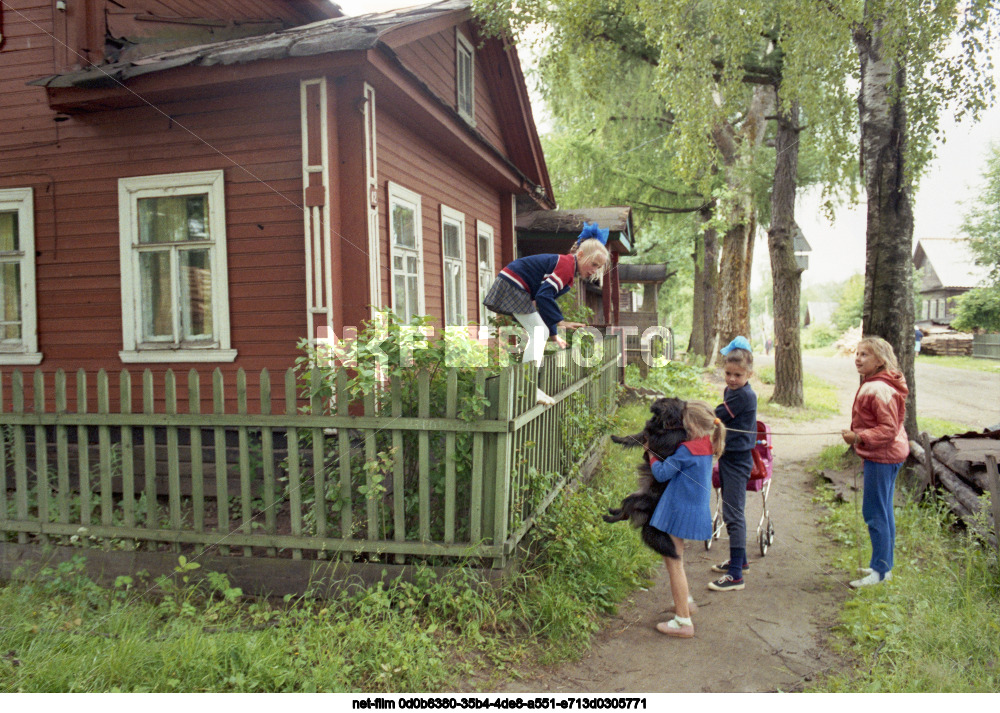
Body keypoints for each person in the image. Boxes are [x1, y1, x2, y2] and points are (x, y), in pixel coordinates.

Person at [482, 222, 610, 405]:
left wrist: (555, 330)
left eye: (599, 267)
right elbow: (543, 297)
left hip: (515, 285)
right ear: (580, 255)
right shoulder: (566, 266)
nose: (594, 270)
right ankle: (528, 387)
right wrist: (559, 322)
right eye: (594, 264)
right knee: (539, 332)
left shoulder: (567, 269)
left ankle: (528, 386)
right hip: (513, 284)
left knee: (539, 331)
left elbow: (544, 304)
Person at [647, 400, 726, 638]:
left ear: (690, 425)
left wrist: (650, 453)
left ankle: (683, 622)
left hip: (679, 512)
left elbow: (661, 474)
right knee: (675, 560)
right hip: (693, 510)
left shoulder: (686, 450)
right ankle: (687, 603)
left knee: (674, 564)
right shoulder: (706, 444)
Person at [841, 336, 909, 588]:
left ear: (880, 360)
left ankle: (880, 572)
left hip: (883, 456)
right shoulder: (877, 382)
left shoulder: (878, 387)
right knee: (883, 511)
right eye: (857, 354)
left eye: (865, 355)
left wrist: (859, 437)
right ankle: (883, 565)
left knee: (874, 512)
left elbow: (888, 429)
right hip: (888, 454)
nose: (858, 359)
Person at [708, 336, 758, 592]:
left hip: (738, 460)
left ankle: (736, 575)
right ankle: (741, 560)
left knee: (733, 514)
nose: (731, 379)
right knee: (730, 509)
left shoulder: (743, 396)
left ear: (749, 373)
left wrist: (693, 415)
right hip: (730, 456)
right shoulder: (733, 390)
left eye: (738, 375)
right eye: (728, 373)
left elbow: (716, 416)